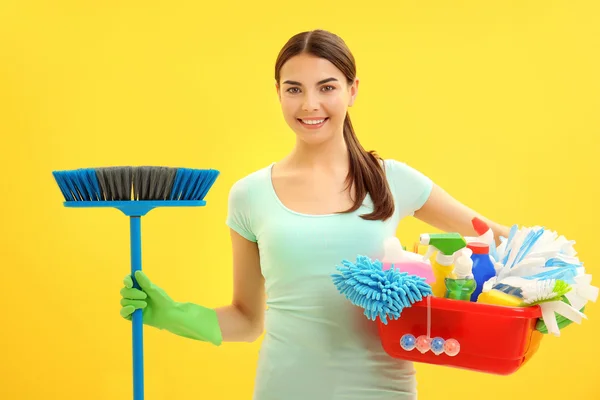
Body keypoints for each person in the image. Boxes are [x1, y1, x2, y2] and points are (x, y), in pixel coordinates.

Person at [120, 29, 511, 399]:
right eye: (294, 89)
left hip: (382, 392)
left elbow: (500, 240)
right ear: (278, 93)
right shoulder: (250, 195)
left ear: (352, 90)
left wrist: (552, 284)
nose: (310, 104)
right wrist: (174, 315)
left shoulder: (392, 181)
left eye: (327, 87)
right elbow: (247, 319)